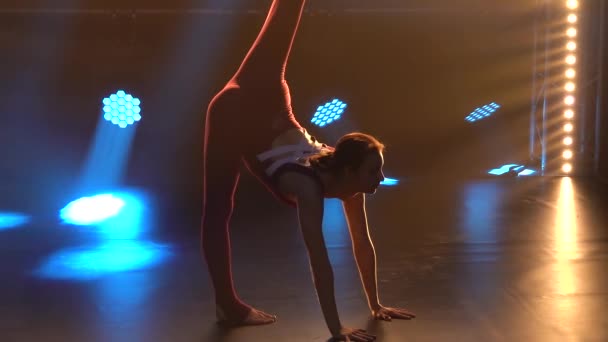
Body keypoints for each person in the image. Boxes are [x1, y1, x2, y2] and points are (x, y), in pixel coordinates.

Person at [201, 1, 415, 340]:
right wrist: (337, 329)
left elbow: (362, 241)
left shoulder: (352, 182)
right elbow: (319, 263)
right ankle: (228, 304)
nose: (381, 179)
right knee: (219, 209)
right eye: (374, 172)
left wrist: (376, 305)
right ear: (350, 170)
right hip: (236, 111)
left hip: (267, 111)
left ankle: (228, 305)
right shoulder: (308, 188)